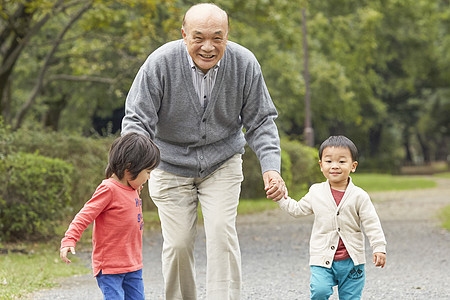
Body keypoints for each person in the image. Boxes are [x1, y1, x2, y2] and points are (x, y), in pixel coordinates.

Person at [121, 3, 286, 299]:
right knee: (179, 243)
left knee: (222, 234)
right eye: (198, 38)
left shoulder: (244, 63)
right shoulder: (160, 63)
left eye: (217, 38)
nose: (208, 47)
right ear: (184, 35)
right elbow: (137, 119)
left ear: (227, 36)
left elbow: (261, 121)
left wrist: (271, 168)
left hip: (222, 163)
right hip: (169, 163)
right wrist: (132, 168)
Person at [274, 135, 386, 300]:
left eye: (341, 162)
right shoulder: (316, 192)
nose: (335, 166)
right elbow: (297, 209)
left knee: (351, 297)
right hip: (322, 258)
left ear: (353, 166)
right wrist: (280, 196)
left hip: (352, 261)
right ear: (321, 165)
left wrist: (379, 248)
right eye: (329, 161)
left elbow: (372, 223)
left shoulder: (359, 196)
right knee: (319, 292)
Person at [60, 132, 160, 299]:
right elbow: (85, 215)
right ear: (129, 169)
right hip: (110, 267)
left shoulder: (132, 188)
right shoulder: (109, 189)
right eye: (147, 172)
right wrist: (69, 239)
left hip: (133, 265)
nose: (149, 177)